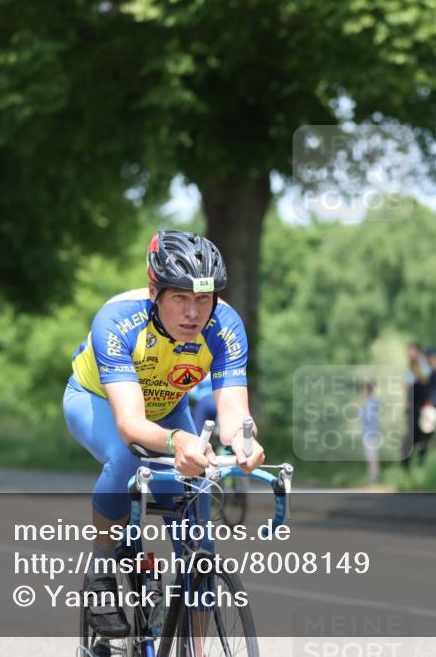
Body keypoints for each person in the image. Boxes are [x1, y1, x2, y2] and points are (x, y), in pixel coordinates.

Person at [63, 230, 265, 639]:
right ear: (155, 291)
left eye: (203, 299)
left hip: (169, 408)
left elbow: (233, 413)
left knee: (200, 542)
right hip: (98, 401)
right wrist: (179, 443)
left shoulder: (225, 326)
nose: (193, 313)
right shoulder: (117, 320)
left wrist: (244, 442)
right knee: (127, 457)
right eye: (180, 298)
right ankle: (102, 566)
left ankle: (197, 645)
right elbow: (131, 425)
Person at [402, 343, 433, 470]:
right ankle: (408, 466)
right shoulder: (411, 371)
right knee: (414, 437)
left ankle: (417, 465)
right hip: (414, 410)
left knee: (422, 437)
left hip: (421, 409)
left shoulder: (423, 367)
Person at [359, 381, 381, 485]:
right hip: (370, 433)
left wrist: (359, 411)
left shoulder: (370, 403)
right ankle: (373, 476)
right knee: (371, 456)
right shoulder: (371, 403)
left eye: (364, 389)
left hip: (370, 433)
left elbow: (368, 418)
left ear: (368, 391)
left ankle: (374, 478)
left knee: (372, 456)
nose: (362, 391)